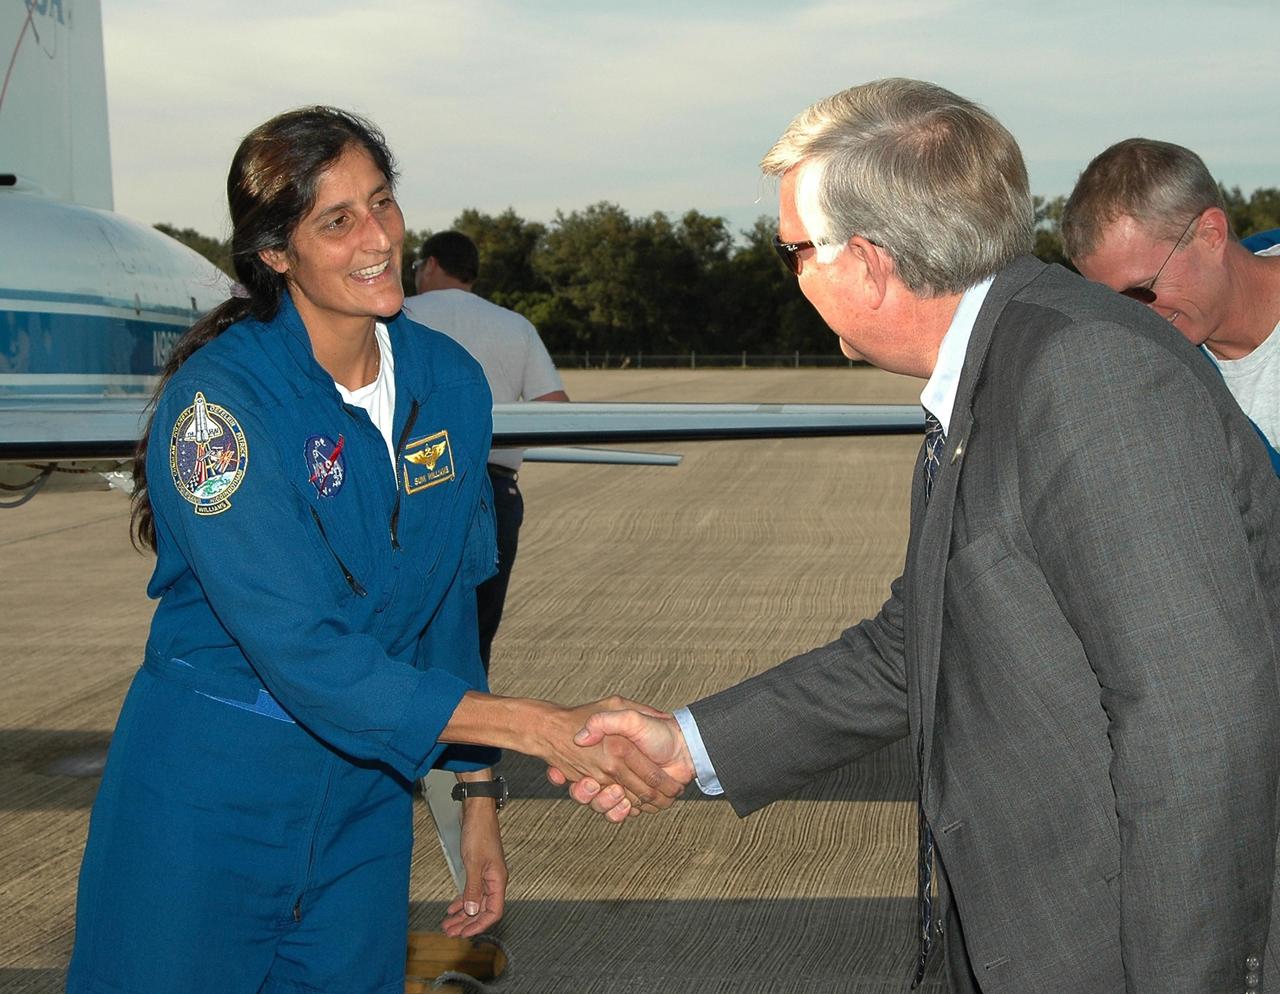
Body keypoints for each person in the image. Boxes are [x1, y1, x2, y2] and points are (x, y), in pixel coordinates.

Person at [555, 79, 1280, 991]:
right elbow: (920, 641)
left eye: (793, 253)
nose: (794, 277)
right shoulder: (1003, 366)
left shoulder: (1087, 376)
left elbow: (1199, 724)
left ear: (866, 262)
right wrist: (691, 745)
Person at [66, 106, 680, 994]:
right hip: (207, 800)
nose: (378, 239)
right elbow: (302, 652)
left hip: (362, 805)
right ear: (277, 254)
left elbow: (445, 605)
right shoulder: (219, 409)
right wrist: (537, 725)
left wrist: (475, 796)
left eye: (383, 204)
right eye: (338, 220)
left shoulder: (447, 383)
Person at [1061, 139, 1280, 471]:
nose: (1135, 318)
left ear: (1211, 234)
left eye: (1143, 290)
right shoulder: (1156, 386)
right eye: (1112, 304)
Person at [403, 231, 568, 672]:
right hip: (494, 493)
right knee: (474, 646)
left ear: (432, 265)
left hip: (404, 489)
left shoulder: (393, 317)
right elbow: (555, 410)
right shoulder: (515, 326)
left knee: (402, 642)